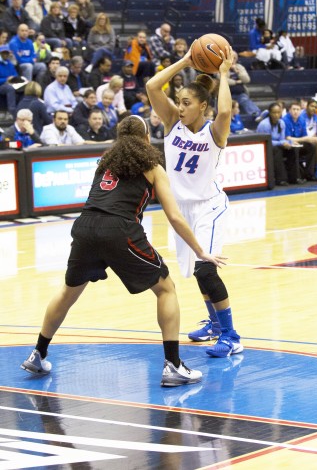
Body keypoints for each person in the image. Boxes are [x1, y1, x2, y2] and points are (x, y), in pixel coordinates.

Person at [21, 114, 226, 386]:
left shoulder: (104, 165)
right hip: (119, 230)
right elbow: (175, 217)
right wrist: (201, 251)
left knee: (67, 293)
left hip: (85, 226)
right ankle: (173, 366)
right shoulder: (153, 166)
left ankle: (38, 354)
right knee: (166, 289)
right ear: (145, 139)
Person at [146, 41, 243, 357]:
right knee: (196, 272)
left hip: (208, 207)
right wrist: (186, 60)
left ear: (202, 106)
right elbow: (151, 85)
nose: (180, 106)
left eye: (186, 102)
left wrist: (224, 73)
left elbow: (225, 109)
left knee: (206, 269)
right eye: (179, 101)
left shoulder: (214, 132)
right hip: (180, 210)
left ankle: (231, 335)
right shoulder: (173, 124)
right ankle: (215, 324)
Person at [256, 102, 304, 185]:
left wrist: (290, 143)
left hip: (277, 145)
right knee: (277, 150)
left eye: (278, 112)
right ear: (270, 113)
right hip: (264, 148)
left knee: (292, 149)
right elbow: (265, 141)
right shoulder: (264, 124)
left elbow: (282, 139)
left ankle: (295, 178)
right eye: (274, 113)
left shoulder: (281, 123)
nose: (276, 115)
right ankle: (281, 179)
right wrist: (282, 143)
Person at [219, 50, 261, 117]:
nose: (232, 60)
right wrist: (236, 82)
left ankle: (257, 115)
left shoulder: (239, 67)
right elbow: (222, 80)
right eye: (230, 57)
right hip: (226, 94)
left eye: (234, 58)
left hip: (240, 93)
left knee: (244, 99)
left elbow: (247, 80)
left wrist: (237, 72)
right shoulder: (221, 67)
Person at [282, 101, 317, 181]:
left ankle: (310, 174)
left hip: (299, 144)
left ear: (300, 111)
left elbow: (304, 136)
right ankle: (296, 177)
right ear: (289, 110)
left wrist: (310, 139)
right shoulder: (285, 120)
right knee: (295, 149)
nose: (296, 111)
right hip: (288, 145)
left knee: (311, 146)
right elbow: (287, 138)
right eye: (294, 109)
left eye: (298, 109)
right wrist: (304, 139)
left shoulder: (301, 120)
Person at [299, 99, 317, 179]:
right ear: (307, 106)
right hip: (303, 140)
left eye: (315, 107)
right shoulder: (301, 117)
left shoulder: (314, 116)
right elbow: (303, 134)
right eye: (312, 106)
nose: (314, 108)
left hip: (312, 140)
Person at [0, 43, 18, 118]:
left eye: (7, 52)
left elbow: (15, 74)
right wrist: (6, 80)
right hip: (1, 85)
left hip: (11, 83)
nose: (5, 54)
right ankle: (12, 112)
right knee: (10, 88)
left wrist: (13, 78)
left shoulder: (9, 63)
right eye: (4, 52)